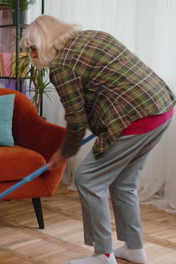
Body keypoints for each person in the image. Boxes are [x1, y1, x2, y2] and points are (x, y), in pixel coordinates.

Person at [20, 15, 175, 264]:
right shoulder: (93, 35)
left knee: (88, 179)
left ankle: (103, 255)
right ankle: (135, 249)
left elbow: (76, 120)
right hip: (162, 109)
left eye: (33, 47)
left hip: (135, 119)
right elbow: (114, 83)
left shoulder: (61, 67)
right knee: (124, 183)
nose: (31, 54)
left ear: (46, 42)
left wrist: (63, 154)